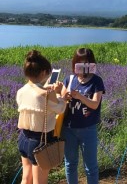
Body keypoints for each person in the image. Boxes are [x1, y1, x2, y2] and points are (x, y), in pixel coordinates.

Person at [16, 50, 66, 184]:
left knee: (26, 178)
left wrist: (46, 89)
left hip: (23, 138)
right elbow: (60, 108)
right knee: (40, 182)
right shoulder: (46, 94)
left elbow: (34, 98)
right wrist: (60, 94)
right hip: (40, 142)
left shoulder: (21, 91)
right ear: (44, 73)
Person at [61, 48, 105, 184]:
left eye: (85, 62)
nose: (82, 65)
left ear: (91, 64)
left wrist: (79, 96)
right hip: (68, 129)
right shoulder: (69, 79)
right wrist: (64, 96)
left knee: (91, 167)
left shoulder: (96, 81)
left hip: (88, 129)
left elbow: (94, 105)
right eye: (79, 62)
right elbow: (61, 101)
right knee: (70, 164)